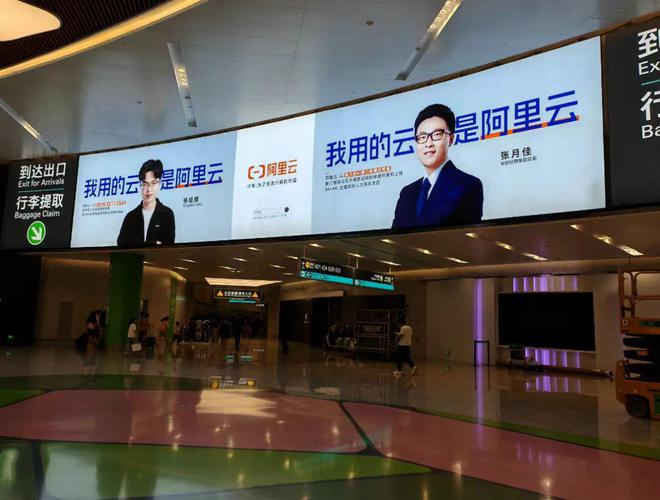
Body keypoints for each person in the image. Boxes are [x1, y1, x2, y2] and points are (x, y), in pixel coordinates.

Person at [392, 104, 483, 229]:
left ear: (451, 139)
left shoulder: (468, 185)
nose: (428, 143)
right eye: (422, 137)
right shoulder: (407, 193)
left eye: (436, 135)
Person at [117, 159, 175, 246]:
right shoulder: (130, 217)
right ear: (140, 185)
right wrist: (154, 243)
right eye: (145, 184)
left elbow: (169, 245)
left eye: (154, 183)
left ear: (159, 184)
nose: (149, 189)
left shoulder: (166, 214)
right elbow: (121, 244)